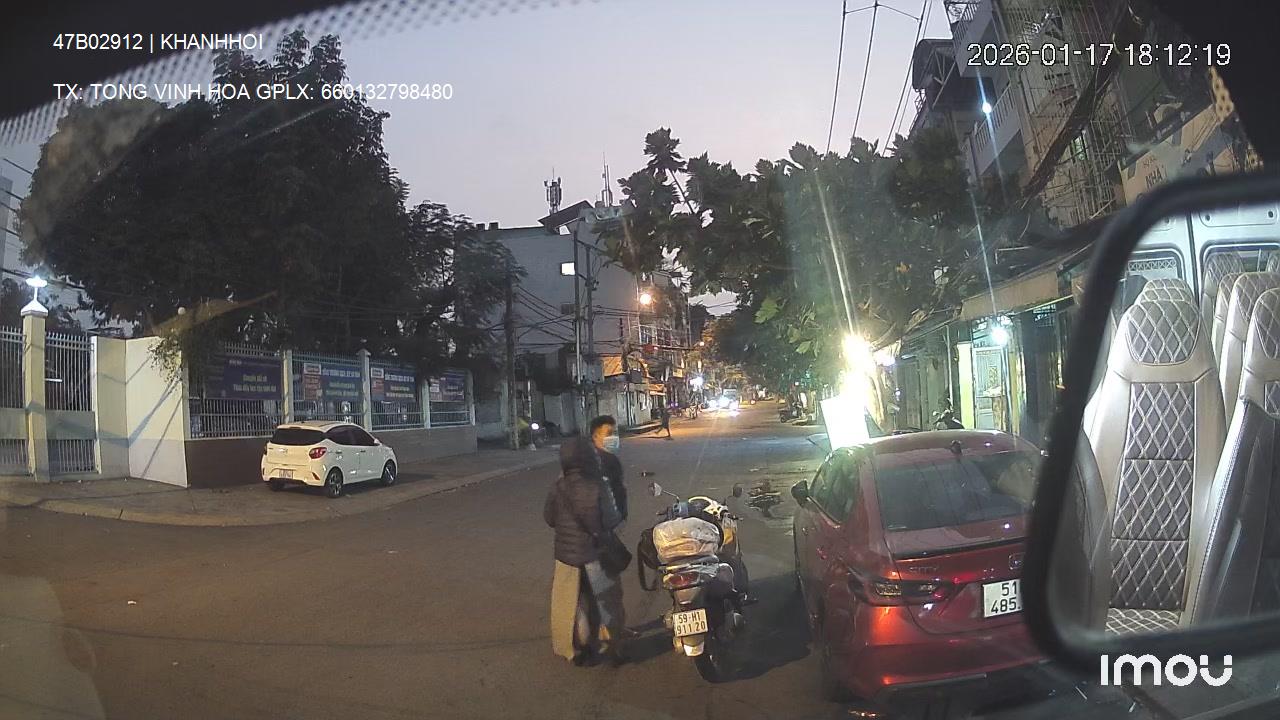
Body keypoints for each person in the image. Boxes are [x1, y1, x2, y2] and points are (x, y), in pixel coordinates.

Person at [544, 435, 626, 666]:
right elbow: (612, 519)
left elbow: (549, 518)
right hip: (597, 554)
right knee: (607, 602)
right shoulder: (599, 484)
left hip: (567, 558)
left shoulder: (558, 486)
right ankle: (612, 647)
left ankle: (575, 649)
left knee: (569, 605)